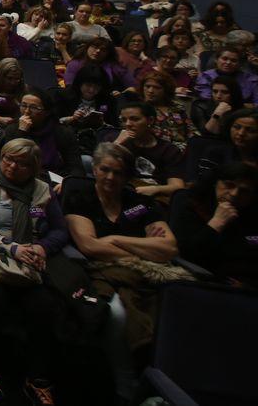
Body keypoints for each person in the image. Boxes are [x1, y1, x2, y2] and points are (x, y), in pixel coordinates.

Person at [64, 143, 180, 403]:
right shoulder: (80, 199)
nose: (110, 177)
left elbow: (169, 248)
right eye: (105, 169)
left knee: (171, 309)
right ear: (94, 169)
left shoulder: (140, 202)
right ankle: (125, 383)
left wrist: (115, 239)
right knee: (117, 313)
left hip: (147, 274)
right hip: (101, 272)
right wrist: (145, 247)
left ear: (127, 176)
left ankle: (164, 382)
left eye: (118, 172)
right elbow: (90, 246)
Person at [0, 139, 69, 406]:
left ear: (33, 168)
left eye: (21, 163)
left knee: (45, 306)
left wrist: (42, 247)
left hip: (31, 259)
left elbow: (60, 230)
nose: (12, 166)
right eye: (7, 159)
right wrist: (12, 248)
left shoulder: (43, 191)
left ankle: (37, 378)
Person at [170, 162, 257, 286]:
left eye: (244, 191)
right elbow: (185, 254)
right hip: (199, 279)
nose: (234, 194)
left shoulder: (251, 214)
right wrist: (216, 223)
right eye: (229, 185)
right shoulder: (190, 202)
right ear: (215, 183)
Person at [2, 87, 85, 179]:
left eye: (34, 108)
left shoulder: (62, 132)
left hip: (56, 177)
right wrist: (21, 132)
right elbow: (10, 161)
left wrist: (67, 182)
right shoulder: (12, 130)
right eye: (24, 105)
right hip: (21, 176)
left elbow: (76, 167)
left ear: (47, 112)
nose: (27, 111)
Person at [112, 102, 185, 203]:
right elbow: (99, 170)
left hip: (153, 198)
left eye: (135, 119)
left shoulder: (168, 150)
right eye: (124, 120)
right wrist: (117, 144)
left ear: (150, 120)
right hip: (122, 193)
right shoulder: (116, 141)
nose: (128, 124)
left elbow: (177, 187)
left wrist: (155, 189)